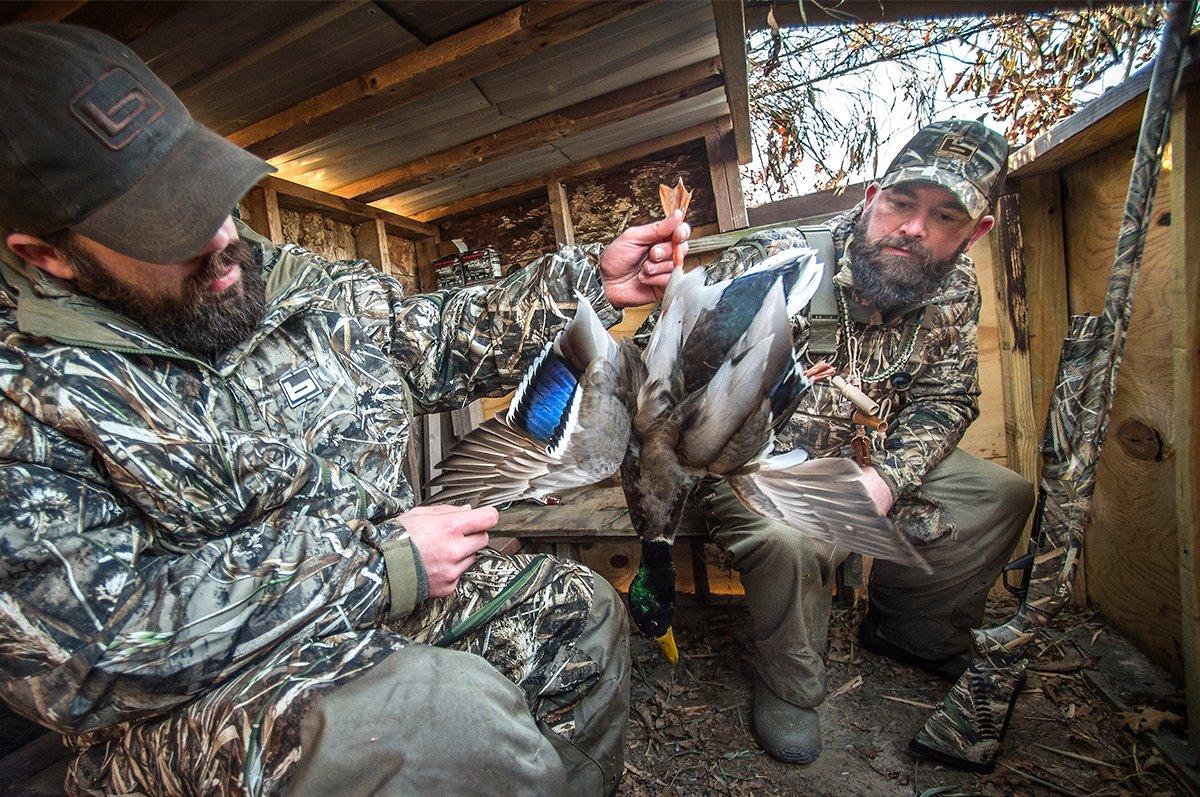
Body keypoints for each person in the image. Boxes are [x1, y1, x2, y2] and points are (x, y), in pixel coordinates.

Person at [0, 23, 689, 796]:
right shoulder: (26, 398)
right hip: (204, 694)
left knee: (579, 612)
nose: (223, 237)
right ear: (48, 255)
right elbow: (84, 659)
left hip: (390, 600)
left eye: (208, 190)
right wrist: (373, 566)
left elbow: (427, 339)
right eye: (169, 227)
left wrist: (590, 281)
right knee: (443, 725)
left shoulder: (292, 281)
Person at [687, 119, 1035, 764]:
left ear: (976, 232)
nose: (914, 228)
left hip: (869, 455)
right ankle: (791, 686)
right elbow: (675, 369)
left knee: (1000, 494)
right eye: (902, 204)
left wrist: (887, 479)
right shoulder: (777, 259)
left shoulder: (953, 288)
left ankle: (910, 633)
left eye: (945, 216)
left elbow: (945, 399)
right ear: (874, 195)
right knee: (788, 540)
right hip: (757, 465)